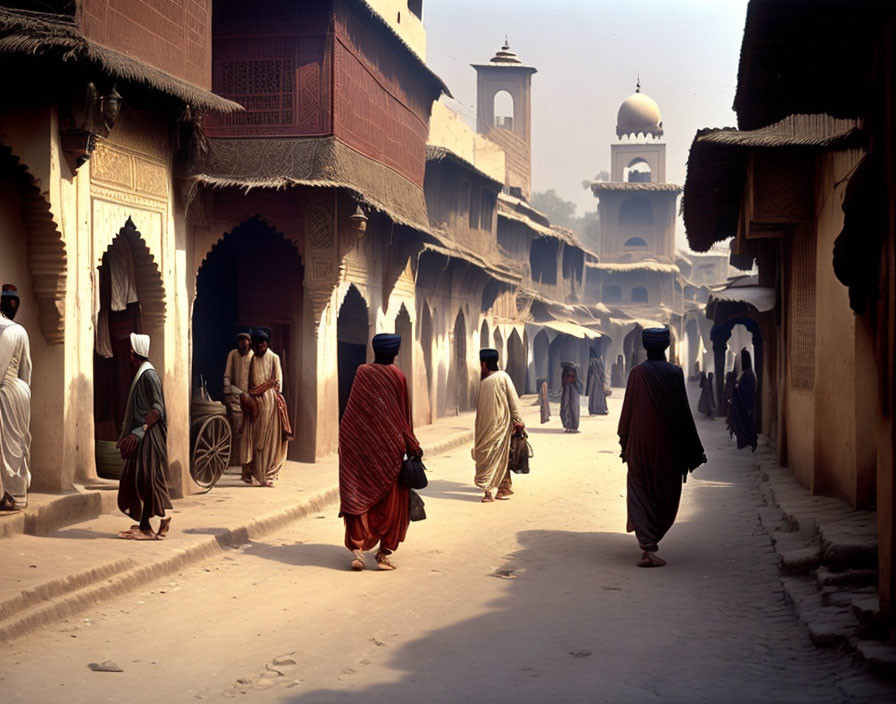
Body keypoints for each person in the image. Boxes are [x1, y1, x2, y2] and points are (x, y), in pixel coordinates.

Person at [618, 327, 706, 567]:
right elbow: (683, 413)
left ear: (646, 347)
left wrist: (625, 441)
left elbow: (628, 411)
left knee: (639, 490)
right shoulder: (675, 373)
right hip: (668, 446)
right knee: (665, 492)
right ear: (665, 346)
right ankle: (650, 542)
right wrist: (691, 448)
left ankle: (646, 545)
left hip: (640, 444)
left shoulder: (637, 374)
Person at [339, 333, 422, 571]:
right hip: (389, 450)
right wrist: (413, 445)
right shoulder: (398, 376)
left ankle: (358, 552)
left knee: (358, 495)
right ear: (395, 353)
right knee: (392, 502)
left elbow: (353, 410)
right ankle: (383, 553)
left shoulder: (362, 372)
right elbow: (403, 416)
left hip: (358, 446)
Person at [116, 333, 172, 540]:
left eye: (131, 350)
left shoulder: (149, 375)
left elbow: (157, 409)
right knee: (140, 479)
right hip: (143, 435)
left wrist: (140, 432)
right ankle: (146, 523)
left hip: (149, 437)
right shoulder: (142, 373)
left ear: (135, 353)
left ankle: (148, 527)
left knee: (146, 479)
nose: (129, 354)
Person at [472, 348, 524, 503]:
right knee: (492, 456)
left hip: (500, 425)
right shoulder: (485, 382)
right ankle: (503, 487)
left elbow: (513, 398)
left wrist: (517, 419)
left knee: (497, 456)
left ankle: (491, 491)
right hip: (484, 428)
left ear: (484, 364)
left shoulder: (502, 377)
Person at [241, 327, 290, 487]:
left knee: (270, 439)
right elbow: (249, 383)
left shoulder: (274, 358)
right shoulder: (252, 359)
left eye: (261, 345)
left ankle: (269, 475)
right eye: (256, 346)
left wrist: (266, 389)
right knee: (257, 439)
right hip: (256, 404)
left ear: (266, 344)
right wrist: (254, 394)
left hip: (271, 403)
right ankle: (257, 474)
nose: (258, 348)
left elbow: (278, 382)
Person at [0, 284, 31, 510]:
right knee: (16, 443)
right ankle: (16, 495)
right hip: (20, 392)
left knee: (8, 445)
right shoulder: (20, 331)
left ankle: (11, 497)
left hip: (6, 391)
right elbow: (26, 368)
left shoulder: (6, 331)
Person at [223, 330, 253, 480]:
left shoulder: (253, 356)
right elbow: (227, 377)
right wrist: (230, 393)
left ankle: (246, 464)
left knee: (249, 432)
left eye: (245, 340)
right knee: (236, 428)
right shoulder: (233, 354)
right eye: (240, 340)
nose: (243, 343)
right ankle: (234, 460)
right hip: (235, 397)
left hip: (250, 398)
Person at [728, 348, 758, 451]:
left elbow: (747, 391)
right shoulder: (744, 373)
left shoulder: (748, 373)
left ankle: (748, 441)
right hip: (740, 408)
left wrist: (737, 387)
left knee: (746, 426)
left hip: (744, 408)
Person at [560, 362, 583, 432]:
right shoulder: (568, 374)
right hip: (569, 393)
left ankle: (572, 426)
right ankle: (569, 425)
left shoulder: (570, 375)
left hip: (573, 394)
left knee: (572, 409)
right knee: (568, 408)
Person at [586, 351, 609, 416]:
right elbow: (602, 372)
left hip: (594, 379)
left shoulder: (593, 361)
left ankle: (594, 409)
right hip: (597, 379)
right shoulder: (599, 361)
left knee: (594, 394)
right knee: (597, 395)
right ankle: (598, 409)